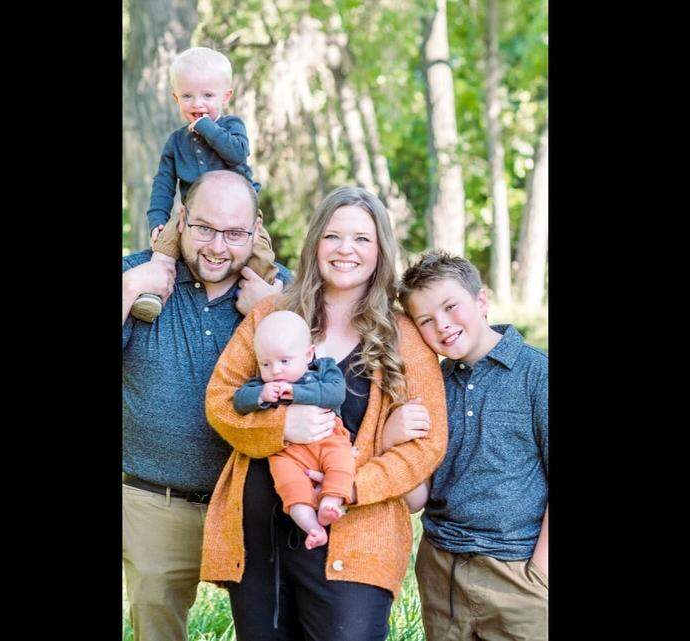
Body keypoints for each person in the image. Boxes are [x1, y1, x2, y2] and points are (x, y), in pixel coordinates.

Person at [199, 186, 448, 641]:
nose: (345, 250)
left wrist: (354, 484)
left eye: (361, 239)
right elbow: (220, 400)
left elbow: (428, 444)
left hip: (357, 535)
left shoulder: (405, 336)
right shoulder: (273, 314)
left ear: (380, 250)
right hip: (261, 537)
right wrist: (280, 426)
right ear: (315, 242)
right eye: (333, 236)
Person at [121, 170, 291, 641]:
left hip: (255, 503)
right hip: (157, 500)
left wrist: (274, 309)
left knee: (269, 632)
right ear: (181, 221)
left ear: (256, 229)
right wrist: (130, 288)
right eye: (204, 229)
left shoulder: (282, 292)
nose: (217, 246)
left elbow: (332, 376)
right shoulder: (140, 278)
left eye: (234, 233)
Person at [396, 250, 549, 641]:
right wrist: (391, 440)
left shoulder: (537, 374)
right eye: (426, 321)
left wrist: (541, 573)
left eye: (451, 307)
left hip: (517, 573)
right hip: (441, 569)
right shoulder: (432, 384)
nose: (443, 325)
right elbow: (416, 496)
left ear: (481, 301)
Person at [131, 46, 280, 322]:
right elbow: (163, 183)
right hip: (193, 217)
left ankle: (265, 295)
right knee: (163, 251)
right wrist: (157, 219)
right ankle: (153, 295)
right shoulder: (176, 142)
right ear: (176, 98)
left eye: (208, 96)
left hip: (239, 215)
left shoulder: (232, 126)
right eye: (187, 96)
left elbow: (237, 152)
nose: (197, 103)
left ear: (226, 96)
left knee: (260, 252)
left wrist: (206, 128)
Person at [233, 310, 353, 550]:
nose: (275, 371)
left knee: (341, 465)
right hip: (286, 451)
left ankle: (331, 502)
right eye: (265, 363)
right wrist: (260, 395)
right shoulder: (264, 384)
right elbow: (238, 400)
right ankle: (312, 527)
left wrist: (297, 393)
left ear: (308, 354)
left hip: (328, 439)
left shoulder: (322, 371)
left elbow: (335, 394)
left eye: (284, 361)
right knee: (289, 485)